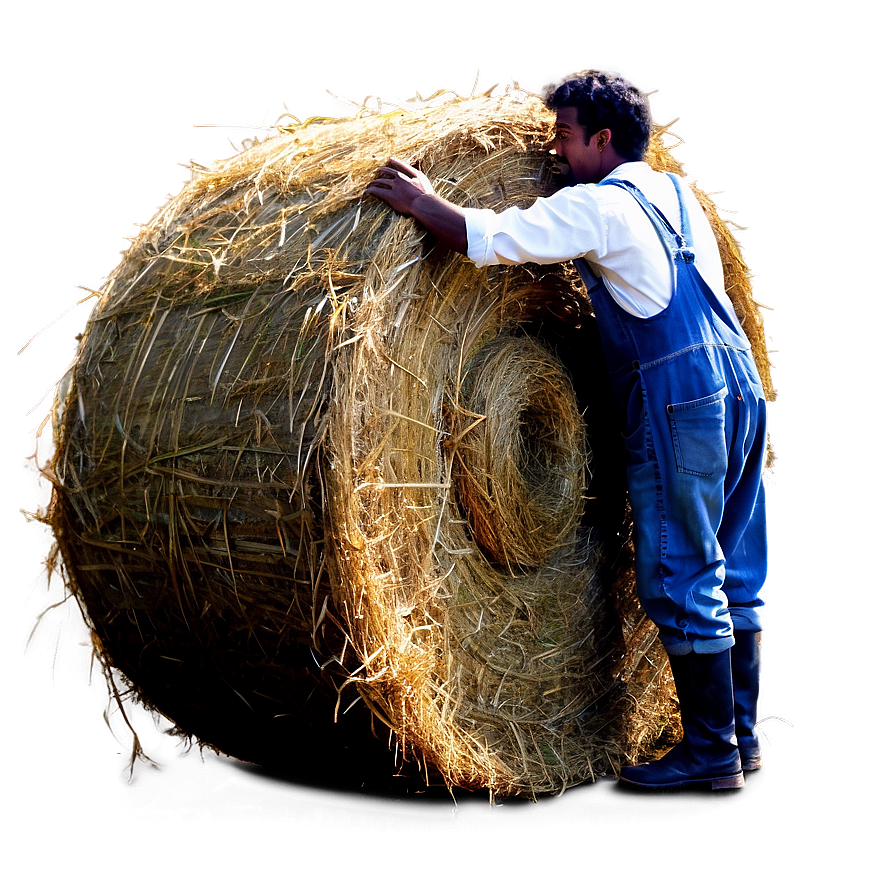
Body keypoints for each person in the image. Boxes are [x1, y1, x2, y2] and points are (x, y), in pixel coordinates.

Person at [366, 70, 768, 791]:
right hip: (740, 387)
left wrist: (422, 200)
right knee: (732, 566)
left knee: (681, 572)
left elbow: (489, 238)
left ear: (603, 139)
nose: (556, 152)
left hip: (683, 399)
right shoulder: (677, 196)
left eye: (564, 137)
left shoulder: (602, 207)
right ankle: (739, 735)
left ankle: (711, 756)